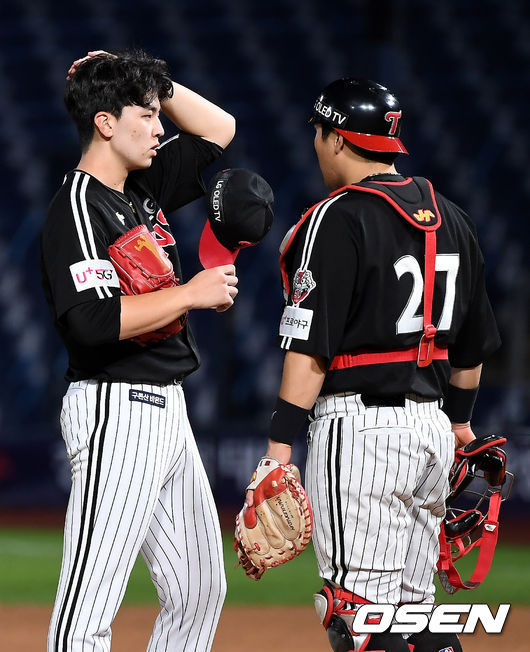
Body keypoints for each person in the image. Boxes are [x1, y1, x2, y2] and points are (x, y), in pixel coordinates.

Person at [243, 78, 501, 652]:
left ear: (338, 139)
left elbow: (309, 348)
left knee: (358, 611)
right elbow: (472, 350)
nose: (314, 143)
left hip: (362, 434)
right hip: (433, 429)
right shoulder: (451, 216)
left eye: (319, 132)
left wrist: (278, 452)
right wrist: (458, 423)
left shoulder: (334, 218)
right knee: (417, 611)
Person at [41, 49, 238, 652]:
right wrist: (190, 294)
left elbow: (219, 129)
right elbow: (95, 322)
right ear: (105, 123)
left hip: (167, 411)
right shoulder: (77, 207)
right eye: (148, 114)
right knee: (90, 600)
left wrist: (150, 77)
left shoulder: (141, 185)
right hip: (114, 408)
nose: (161, 127)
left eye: (159, 113)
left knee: (201, 590)